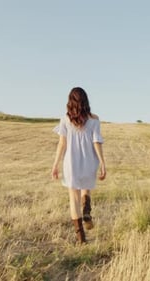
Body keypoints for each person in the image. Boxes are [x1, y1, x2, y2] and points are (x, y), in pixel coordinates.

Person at [51, 87, 106, 244]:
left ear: (70, 101)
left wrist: (55, 164)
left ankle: (81, 239)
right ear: (85, 101)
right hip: (89, 161)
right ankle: (87, 211)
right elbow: (97, 142)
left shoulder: (65, 120)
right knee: (85, 187)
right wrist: (102, 162)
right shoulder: (94, 120)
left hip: (71, 163)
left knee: (73, 198)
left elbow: (62, 144)